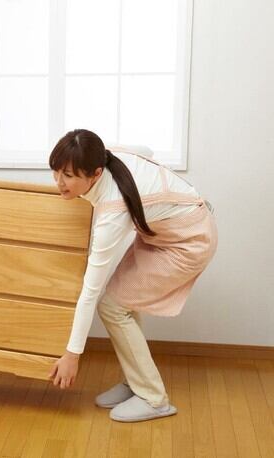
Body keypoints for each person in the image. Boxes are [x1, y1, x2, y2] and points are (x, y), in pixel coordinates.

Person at [48, 129, 217, 422]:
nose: (59, 182)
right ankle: (137, 381)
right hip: (161, 234)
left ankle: (154, 399)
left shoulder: (113, 213)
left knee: (112, 306)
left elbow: (90, 292)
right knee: (119, 304)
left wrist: (72, 355)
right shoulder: (106, 154)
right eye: (56, 171)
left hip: (188, 241)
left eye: (69, 175)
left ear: (96, 173)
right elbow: (146, 150)